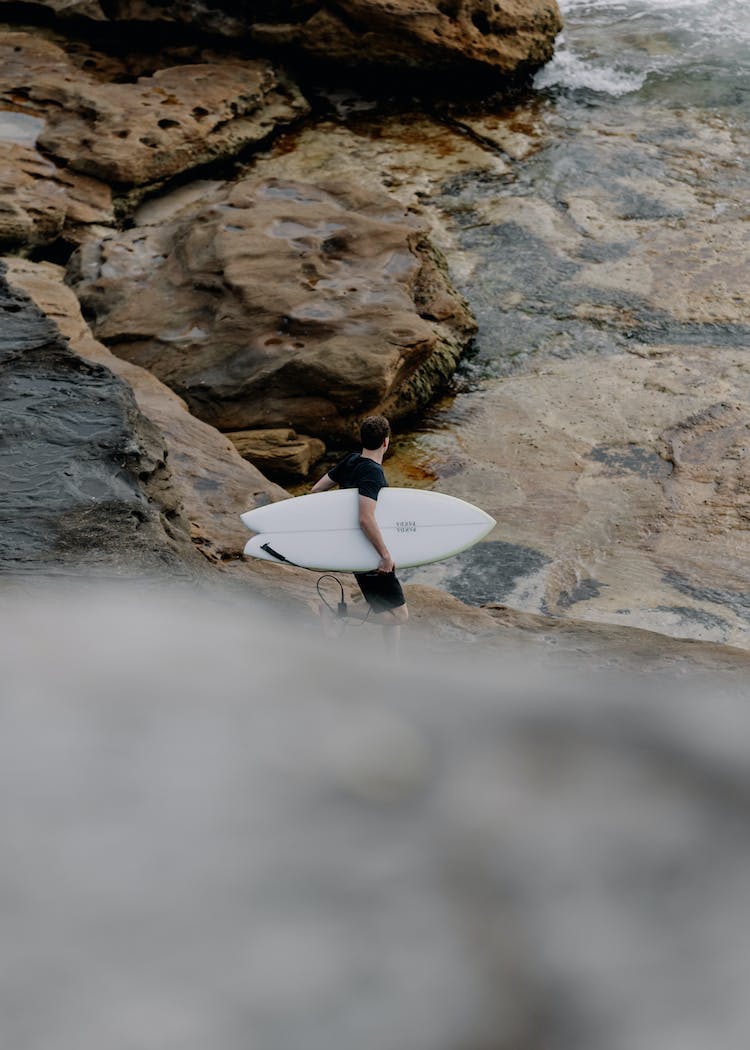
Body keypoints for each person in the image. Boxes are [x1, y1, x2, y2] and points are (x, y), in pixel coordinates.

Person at [311, 415, 408, 652]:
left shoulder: (352, 461)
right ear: (386, 442)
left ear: (361, 439)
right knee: (399, 616)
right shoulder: (373, 473)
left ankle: (393, 660)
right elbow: (365, 518)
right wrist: (384, 555)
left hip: (360, 547)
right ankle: (334, 611)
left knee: (388, 605)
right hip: (370, 552)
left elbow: (317, 490)